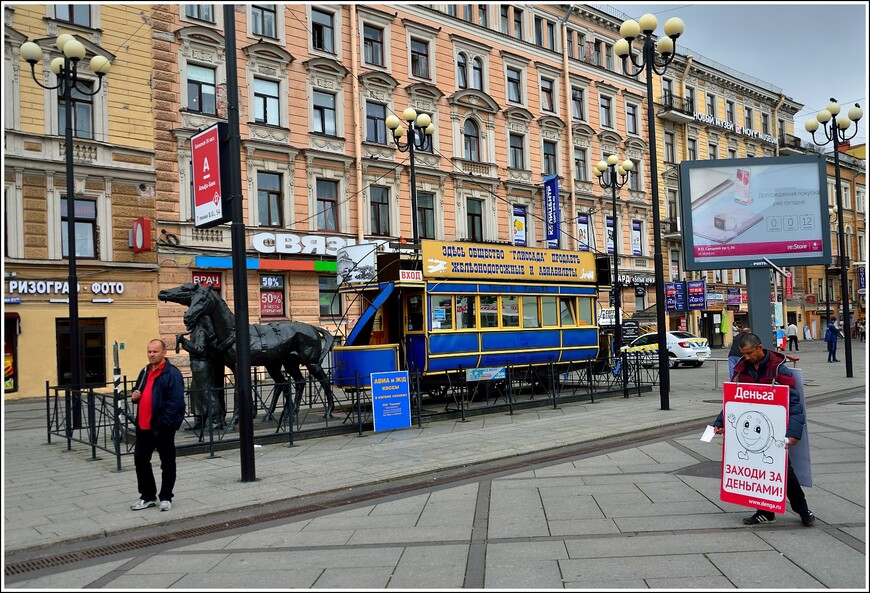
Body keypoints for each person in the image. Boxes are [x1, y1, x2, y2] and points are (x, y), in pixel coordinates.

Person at [713, 332, 815, 527]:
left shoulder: (779, 370)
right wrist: (720, 422)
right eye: (744, 354)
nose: (747, 357)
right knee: (757, 470)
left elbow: (794, 402)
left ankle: (802, 510)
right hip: (752, 429)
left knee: (784, 471)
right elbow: (735, 400)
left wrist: (793, 433)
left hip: (774, 432)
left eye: (750, 353)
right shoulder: (742, 370)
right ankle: (765, 511)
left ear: (760, 348)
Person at [130, 339, 185, 512]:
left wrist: (165, 423)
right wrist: (135, 396)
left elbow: (176, 402)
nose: (151, 355)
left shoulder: (172, 374)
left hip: (162, 427)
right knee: (140, 460)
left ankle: (166, 497)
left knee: (167, 462)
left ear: (164, 352)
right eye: (149, 352)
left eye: (155, 351)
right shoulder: (145, 371)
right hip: (143, 425)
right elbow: (138, 391)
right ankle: (147, 496)